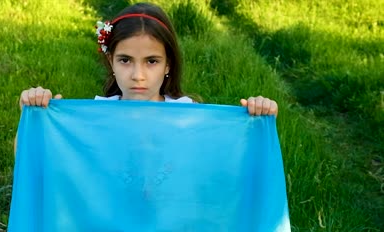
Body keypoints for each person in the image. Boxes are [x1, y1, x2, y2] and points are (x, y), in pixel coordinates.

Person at [15, 2, 278, 151]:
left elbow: (230, 164)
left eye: (151, 61)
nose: (137, 75)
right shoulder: (93, 118)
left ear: (168, 65)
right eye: (125, 60)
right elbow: (33, 161)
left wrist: (259, 123)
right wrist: (34, 118)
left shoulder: (189, 117)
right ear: (111, 62)